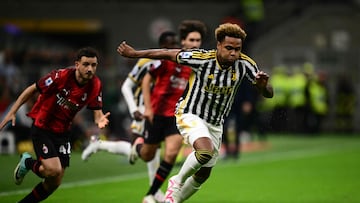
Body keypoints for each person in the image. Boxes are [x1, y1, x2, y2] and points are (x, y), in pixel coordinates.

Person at [117, 22, 273, 203]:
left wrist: (263, 87)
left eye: (237, 49)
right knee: (204, 152)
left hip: (216, 123)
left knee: (204, 173)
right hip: (190, 113)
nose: (233, 53)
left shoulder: (246, 64)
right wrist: (135, 54)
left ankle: (172, 201)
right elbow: (168, 53)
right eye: (229, 48)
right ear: (218, 45)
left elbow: (268, 93)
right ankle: (177, 181)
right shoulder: (202, 58)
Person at [0, 47, 110, 203]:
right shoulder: (61, 76)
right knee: (53, 170)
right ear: (77, 64)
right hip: (43, 126)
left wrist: (99, 119)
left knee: (54, 182)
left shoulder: (95, 85)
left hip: (63, 132)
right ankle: (28, 162)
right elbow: (32, 88)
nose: (90, 69)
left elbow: (97, 112)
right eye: (86, 64)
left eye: (94, 65)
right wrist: (12, 111)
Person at [81, 31, 180, 202]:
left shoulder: (177, 63)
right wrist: (134, 109)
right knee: (150, 150)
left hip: (164, 113)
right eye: (169, 46)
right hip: (144, 111)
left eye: (174, 45)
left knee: (138, 153)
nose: (172, 49)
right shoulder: (147, 62)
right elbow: (126, 86)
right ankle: (154, 193)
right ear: (162, 46)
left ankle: (99, 145)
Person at [132, 20, 207, 203]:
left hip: (177, 115)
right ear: (183, 42)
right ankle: (138, 145)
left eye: (198, 41)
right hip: (157, 114)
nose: (195, 44)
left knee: (172, 153)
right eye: (192, 40)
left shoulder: (199, 62)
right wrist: (148, 108)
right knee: (147, 155)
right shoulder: (169, 58)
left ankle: (150, 194)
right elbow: (146, 79)